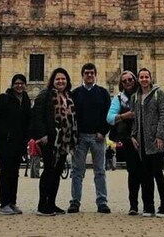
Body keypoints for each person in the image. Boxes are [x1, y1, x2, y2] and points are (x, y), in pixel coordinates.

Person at [31, 67, 78, 216]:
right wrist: (41, 134)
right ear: (53, 80)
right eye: (58, 79)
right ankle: (42, 205)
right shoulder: (45, 95)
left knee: (57, 172)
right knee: (49, 171)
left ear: (67, 81)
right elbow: (37, 115)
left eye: (63, 79)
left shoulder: (68, 96)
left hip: (64, 140)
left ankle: (51, 203)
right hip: (51, 139)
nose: (60, 81)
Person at [68, 63, 112, 214]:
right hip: (80, 137)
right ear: (82, 75)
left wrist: (103, 131)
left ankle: (102, 202)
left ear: (95, 75)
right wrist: (74, 135)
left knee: (100, 171)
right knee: (76, 171)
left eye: (92, 73)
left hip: (97, 137)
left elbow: (109, 114)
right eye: (86, 73)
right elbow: (71, 116)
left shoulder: (103, 93)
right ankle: (75, 201)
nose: (89, 75)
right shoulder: (75, 94)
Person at [131, 67, 164, 217]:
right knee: (145, 175)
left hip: (155, 140)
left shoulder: (158, 93)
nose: (144, 79)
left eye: (146, 77)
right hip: (141, 141)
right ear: (138, 80)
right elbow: (135, 118)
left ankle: (163, 205)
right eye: (141, 77)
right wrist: (133, 135)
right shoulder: (136, 96)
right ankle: (149, 205)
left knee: (157, 173)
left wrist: (160, 136)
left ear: (150, 78)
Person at [0, 74, 31, 215]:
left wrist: (27, 137)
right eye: (17, 83)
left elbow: (28, 120)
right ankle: (4, 204)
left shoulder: (26, 100)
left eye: (22, 83)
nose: (19, 85)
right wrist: (4, 132)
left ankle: (12, 202)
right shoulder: (4, 99)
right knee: (5, 172)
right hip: (5, 143)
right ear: (12, 84)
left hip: (19, 143)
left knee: (14, 173)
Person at [107, 70, 141, 214]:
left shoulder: (145, 94)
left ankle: (148, 204)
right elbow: (109, 117)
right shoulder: (119, 98)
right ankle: (133, 205)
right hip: (128, 139)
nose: (128, 82)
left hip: (145, 137)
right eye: (125, 80)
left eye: (130, 79)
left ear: (135, 80)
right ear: (121, 83)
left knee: (146, 172)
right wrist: (124, 116)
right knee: (133, 171)